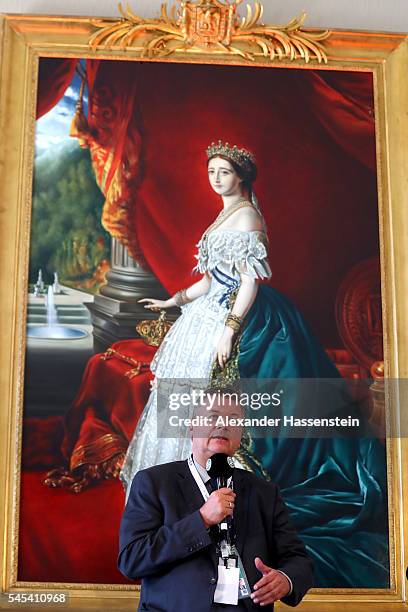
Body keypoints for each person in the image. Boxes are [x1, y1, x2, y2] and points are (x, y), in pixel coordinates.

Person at [120, 141, 389, 588]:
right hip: (208, 314)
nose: (216, 178)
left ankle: (230, 496)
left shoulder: (247, 217)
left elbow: (248, 284)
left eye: (225, 172)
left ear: (242, 177)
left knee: (234, 407)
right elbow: (210, 280)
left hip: (248, 320)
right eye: (212, 171)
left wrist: (229, 328)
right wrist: (172, 301)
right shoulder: (224, 215)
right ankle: (190, 497)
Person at [118, 391, 313, 611]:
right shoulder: (154, 482)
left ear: (241, 435)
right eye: (212, 417)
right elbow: (132, 559)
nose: (223, 425)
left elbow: (299, 560)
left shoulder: (264, 492)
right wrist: (201, 520)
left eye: (233, 419)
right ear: (192, 426)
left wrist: (285, 580)